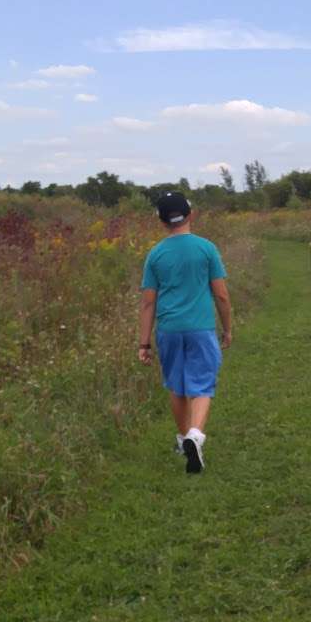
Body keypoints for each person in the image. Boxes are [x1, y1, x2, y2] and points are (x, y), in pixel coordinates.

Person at [137, 191, 232, 474]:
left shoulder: (155, 254)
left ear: (162, 222)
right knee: (202, 385)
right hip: (201, 328)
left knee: (176, 386)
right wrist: (227, 329)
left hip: (168, 330)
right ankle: (195, 436)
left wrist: (144, 343)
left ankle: (183, 440)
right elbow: (222, 296)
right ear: (191, 215)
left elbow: (148, 302)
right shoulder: (206, 249)